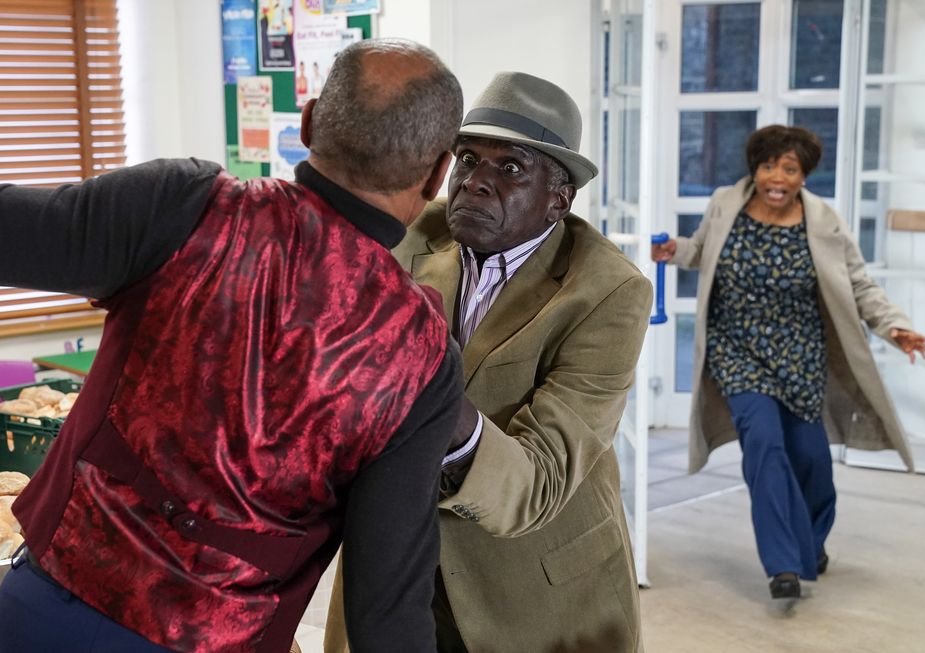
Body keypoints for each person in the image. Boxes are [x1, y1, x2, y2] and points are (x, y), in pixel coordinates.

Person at [0, 38, 465, 653]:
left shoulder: (182, 206)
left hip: (47, 608)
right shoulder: (422, 356)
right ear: (438, 173)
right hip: (216, 639)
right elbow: (387, 609)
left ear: (307, 123)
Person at [325, 72, 653, 652]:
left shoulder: (606, 290)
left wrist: (434, 394)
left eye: (511, 168)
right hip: (394, 574)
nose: (475, 183)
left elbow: (542, 478)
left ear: (559, 198)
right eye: (469, 159)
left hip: (532, 589)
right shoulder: (405, 238)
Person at [651, 124, 925, 599]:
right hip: (736, 352)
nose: (776, 177)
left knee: (812, 462)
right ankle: (783, 564)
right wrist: (677, 251)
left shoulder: (823, 221)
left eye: (789, 168)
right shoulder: (725, 202)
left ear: (804, 175)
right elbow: (703, 250)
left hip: (800, 356)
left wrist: (894, 326)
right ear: (754, 169)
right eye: (767, 166)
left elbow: (858, 284)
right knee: (764, 445)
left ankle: (810, 544)